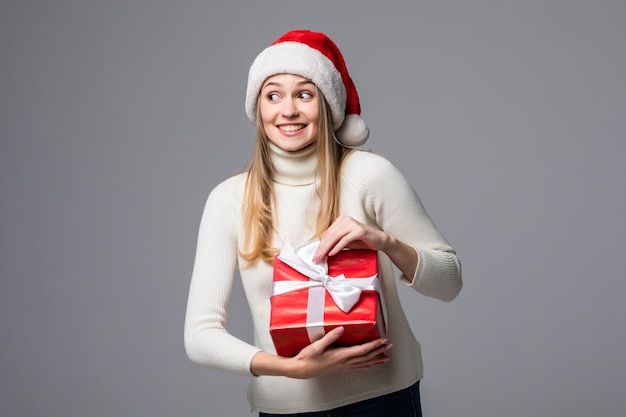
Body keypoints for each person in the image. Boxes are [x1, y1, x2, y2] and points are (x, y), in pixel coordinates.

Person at [184, 29, 462, 416]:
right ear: (258, 108)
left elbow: (450, 283)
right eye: (273, 95)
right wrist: (292, 369)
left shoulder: (370, 175)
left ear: (328, 105)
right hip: (286, 408)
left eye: (304, 94)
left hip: (384, 399)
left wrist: (385, 243)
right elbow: (199, 336)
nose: (289, 110)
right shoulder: (229, 200)